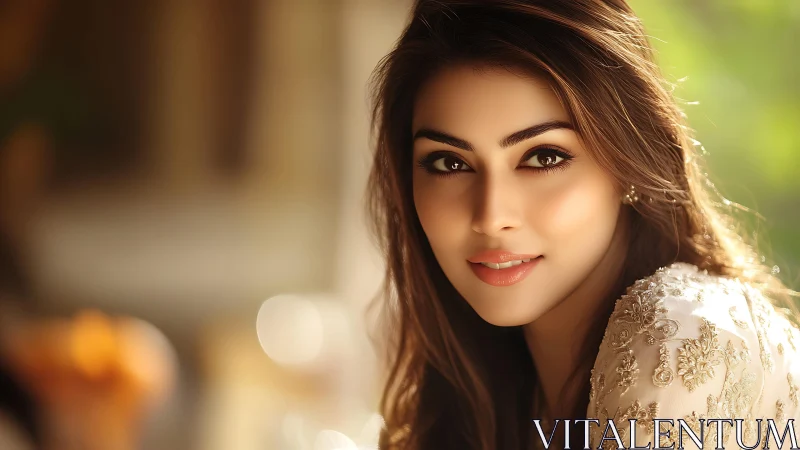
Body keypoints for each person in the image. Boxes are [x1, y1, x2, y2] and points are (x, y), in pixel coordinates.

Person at [365, 0, 800, 449]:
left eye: (543, 157)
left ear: (628, 164)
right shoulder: (488, 391)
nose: (491, 216)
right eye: (449, 163)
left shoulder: (678, 340)